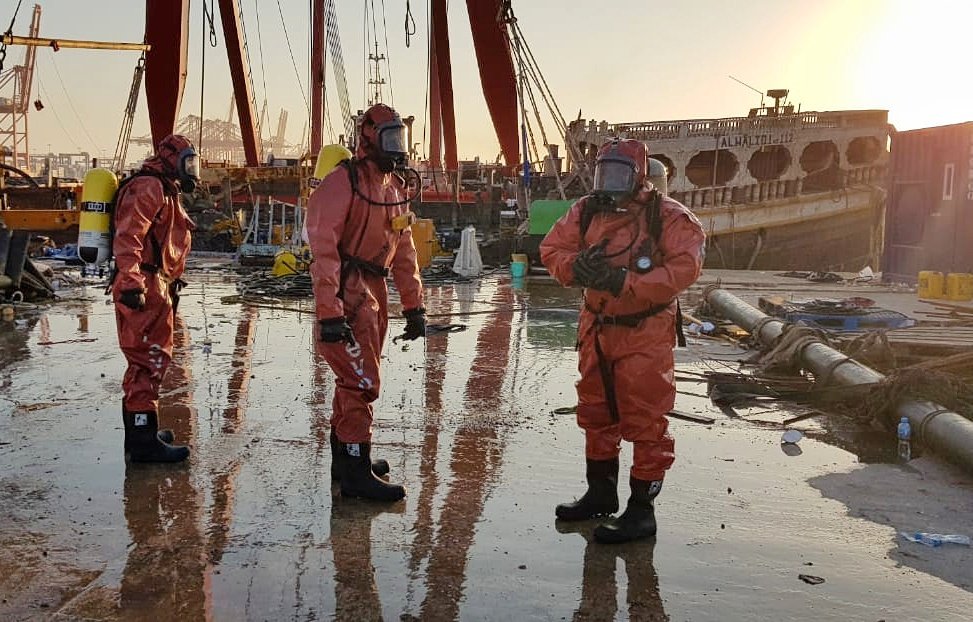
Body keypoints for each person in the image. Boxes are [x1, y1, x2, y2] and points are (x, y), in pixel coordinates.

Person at [540, 138, 705, 543]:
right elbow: (552, 249)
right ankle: (600, 494)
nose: (609, 184)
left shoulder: (669, 217)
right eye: (603, 174)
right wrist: (575, 267)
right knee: (596, 411)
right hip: (597, 326)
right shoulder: (585, 212)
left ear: (639, 175)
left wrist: (625, 281)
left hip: (643, 331)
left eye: (619, 174)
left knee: (646, 417)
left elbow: (685, 268)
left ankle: (641, 511)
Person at [306, 103, 425, 502]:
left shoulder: (394, 188)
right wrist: (329, 312)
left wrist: (414, 305)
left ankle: (348, 459)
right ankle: (355, 472)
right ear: (369, 138)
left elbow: (404, 248)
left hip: (374, 289)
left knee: (354, 380)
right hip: (348, 291)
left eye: (400, 138)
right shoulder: (345, 183)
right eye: (390, 138)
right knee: (360, 380)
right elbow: (323, 249)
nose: (397, 148)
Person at [112, 133, 198, 463]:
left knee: (153, 359)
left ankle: (142, 433)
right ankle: (143, 445)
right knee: (145, 362)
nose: (192, 170)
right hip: (144, 285)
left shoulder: (163, 189)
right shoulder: (149, 188)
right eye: (188, 162)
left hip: (156, 283)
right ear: (171, 159)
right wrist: (133, 282)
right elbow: (129, 236)